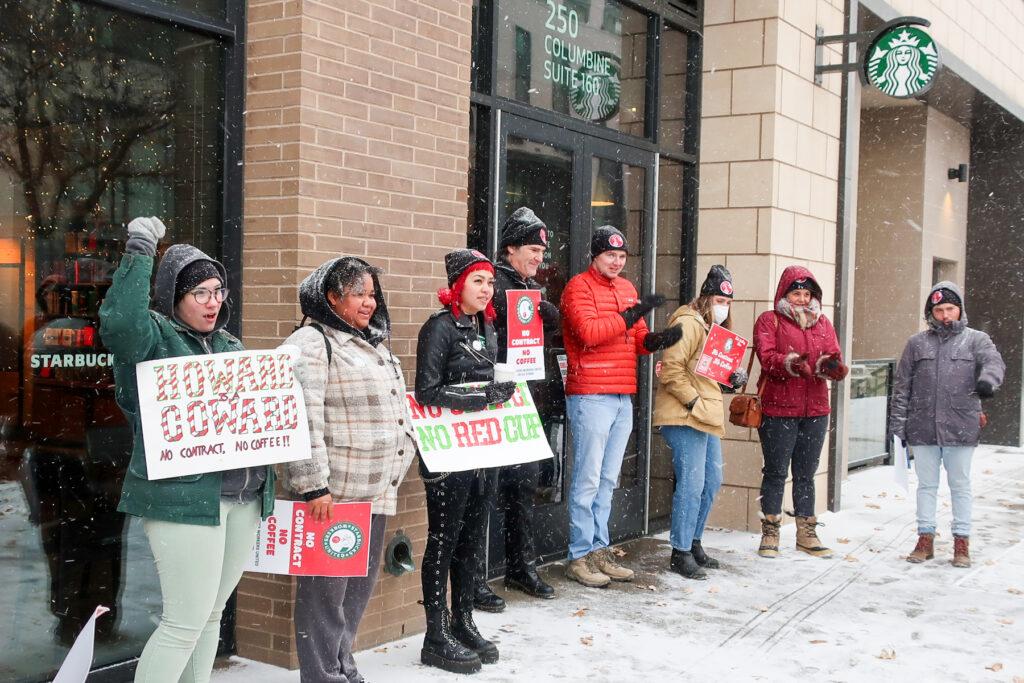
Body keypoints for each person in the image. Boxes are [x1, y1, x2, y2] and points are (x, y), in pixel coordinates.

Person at [99, 217, 275, 683]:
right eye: (201, 293)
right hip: (185, 499)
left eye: (218, 292)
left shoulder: (229, 345)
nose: (213, 302)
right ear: (175, 295)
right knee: (183, 623)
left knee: (210, 615)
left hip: (241, 498)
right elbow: (119, 324)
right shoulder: (153, 339)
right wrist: (140, 250)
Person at [281, 257, 416, 683]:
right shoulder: (311, 341)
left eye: (372, 294)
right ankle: (322, 674)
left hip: (376, 490)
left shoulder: (370, 341)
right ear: (331, 297)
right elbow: (302, 416)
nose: (369, 302)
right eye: (358, 293)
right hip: (333, 496)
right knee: (325, 595)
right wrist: (312, 485)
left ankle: (341, 663)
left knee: (356, 591)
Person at [559, 226, 682, 588]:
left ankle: (599, 548)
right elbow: (590, 334)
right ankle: (579, 555)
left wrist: (658, 339)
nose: (616, 261)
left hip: (621, 394)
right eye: (610, 255)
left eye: (622, 256)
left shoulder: (627, 289)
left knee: (608, 479)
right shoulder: (577, 287)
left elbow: (638, 340)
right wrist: (632, 316)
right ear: (594, 256)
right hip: (590, 393)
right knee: (587, 479)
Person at [415, 249, 517, 674]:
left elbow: (490, 378)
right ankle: (435, 633)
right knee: (444, 538)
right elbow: (426, 390)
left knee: (473, 536)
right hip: (447, 451)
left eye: (490, 283)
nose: (486, 289)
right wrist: (479, 399)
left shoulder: (488, 327)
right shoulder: (438, 328)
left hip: (483, 451)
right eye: (478, 281)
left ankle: (463, 620)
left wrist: (504, 392)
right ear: (458, 286)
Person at [472, 207, 559, 612]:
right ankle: (474, 577)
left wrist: (550, 319)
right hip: (495, 398)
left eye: (542, 251)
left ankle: (521, 566)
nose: (539, 257)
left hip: (525, 399)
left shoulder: (530, 287)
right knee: (485, 489)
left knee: (523, 485)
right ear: (509, 248)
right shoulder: (492, 283)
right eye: (531, 248)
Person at [889, 282, 1004, 568]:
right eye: (939, 310)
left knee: (960, 485)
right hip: (922, 425)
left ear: (959, 309)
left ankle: (961, 541)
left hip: (961, 424)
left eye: (950, 308)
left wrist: (988, 381)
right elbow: (902, 386)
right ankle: (925, 538)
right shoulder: (917, 344)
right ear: (931, 313)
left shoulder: (976, 339)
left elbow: (994, 362)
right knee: (926, 485)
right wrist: (897, 425)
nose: (945, 315)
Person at [653, 265, 747, 580]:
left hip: (704, 414)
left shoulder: (709, 329)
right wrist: (693, 402)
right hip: (686, 415)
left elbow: (706, 375)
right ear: (706, 296)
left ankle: (693, 542)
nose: (724, 306)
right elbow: (671, 369)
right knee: (692, 484)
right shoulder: (687, 322)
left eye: (729, 302)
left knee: (711, 482)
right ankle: (680, 551)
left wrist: (731, 378)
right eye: (720, 299)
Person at [754, 266, 848, 559]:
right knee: (776, 472)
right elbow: (766, 357)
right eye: (796, 293)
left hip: (816, 408)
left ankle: (806, 532)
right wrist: (792, 364)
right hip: (779, 408)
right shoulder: (770, 321)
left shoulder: (823, 323)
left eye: (807, 294)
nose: (802, 299)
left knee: (806, 474)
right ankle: (770, 532)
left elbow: (833, 354)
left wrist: (829, 367)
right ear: (785, 293)